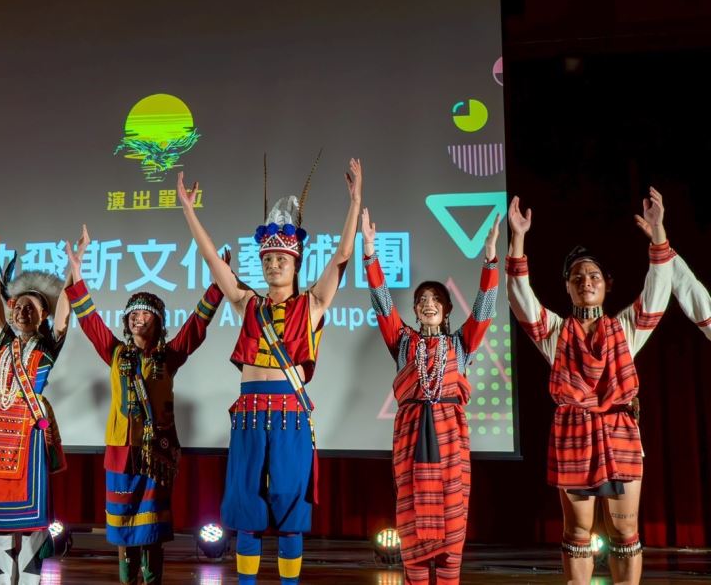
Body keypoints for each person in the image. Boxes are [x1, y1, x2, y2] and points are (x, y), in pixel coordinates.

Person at [175, 157, 361, 585]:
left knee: (291, 510)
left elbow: (343, 255)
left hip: (290, 416)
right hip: (249, 415)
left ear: (295, 263)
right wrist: (188, 210)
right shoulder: (248, 304)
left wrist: (355, 203)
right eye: (268, 259)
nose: (273, 265)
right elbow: (212, 259)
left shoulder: (312, 304)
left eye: (281, 259)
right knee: (246, 509)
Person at [506, 188, 683, 585]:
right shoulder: (554, 332)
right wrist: (517, 238)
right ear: (567, 287)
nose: (585, 281)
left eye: (593, 276)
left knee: (624, 530)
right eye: (577, 277)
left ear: (607, 284)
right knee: (577, 532)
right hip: (574, 433)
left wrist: (658, 232)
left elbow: (658, 290)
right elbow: (520, 296)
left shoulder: (625, 329)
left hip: (619, 431)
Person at [63, 225, 225, 585]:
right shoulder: (115, 352)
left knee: (151, 529)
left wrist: (217, 286)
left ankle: (152, 580)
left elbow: (196, 326)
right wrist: (77, 273)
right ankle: (128, 580)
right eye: (132, 313)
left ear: (159, 322)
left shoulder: (169, 356)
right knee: (123, 528)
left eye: (145, 313)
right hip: (121, 451)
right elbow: (90, 321)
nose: (137, 318)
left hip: (156, 453)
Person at [362, 208, 499, 584]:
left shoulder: (461, 344)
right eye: (422, 298)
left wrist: (490, 259)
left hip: (450, 443)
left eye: (436, 298)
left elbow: (485, 308)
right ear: (415, 309)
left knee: (452, 534)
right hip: (410, 441)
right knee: (413, 532)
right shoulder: (403, 342)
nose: (428, 303)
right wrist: (370, 252)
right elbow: (381, 302)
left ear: (447, 309)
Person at [0, 223, 72, 585]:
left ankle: (31, 580)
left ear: (43, 314)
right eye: (18, 306)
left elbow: (65, 311)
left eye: (31, 307)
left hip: (30, 434)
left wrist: (74, 267)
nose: (22, 311)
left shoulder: (48, 348)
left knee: (32, 521)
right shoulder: (4, 341)